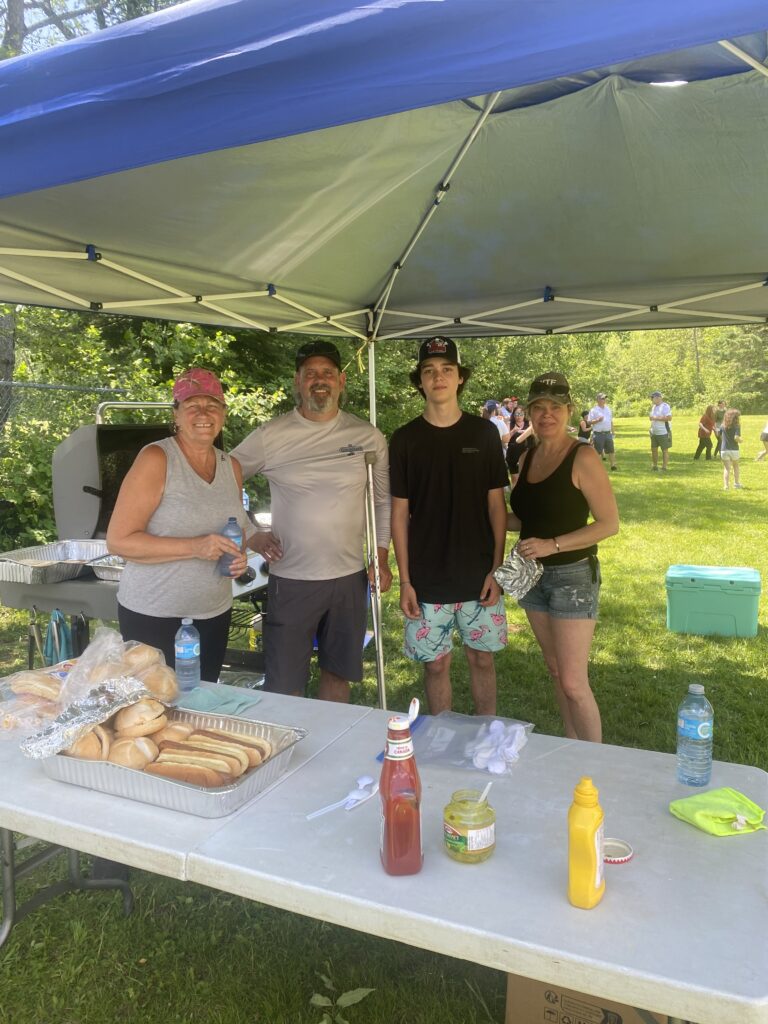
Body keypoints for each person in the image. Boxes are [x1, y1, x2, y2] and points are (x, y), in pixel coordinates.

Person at [231, 340, 392, 702]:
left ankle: (331, 739)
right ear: (298, 381)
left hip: (349, 578)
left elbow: (382, 501)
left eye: (328, 373)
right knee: (285, 684)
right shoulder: (271, 435)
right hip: (292, 579)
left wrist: (380, 555)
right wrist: (251, 533)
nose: (320, 380)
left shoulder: (367, 437)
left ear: (341, 381)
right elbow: (222, 478)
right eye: (311, 374)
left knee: (338, 675)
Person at [389, 337, 508, 716]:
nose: (437, 377)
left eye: (446, 369)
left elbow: (497, 506)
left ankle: (487, 733)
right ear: (420, 381)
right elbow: (399, 514)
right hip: (426, 578)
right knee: (436, 665)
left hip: (479, 574)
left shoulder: (484, 434)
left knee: (482, 659)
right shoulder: (405, 439)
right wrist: (405, 581)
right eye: (429, 371)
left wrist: (497, 569)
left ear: (460, 378)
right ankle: (441, 734)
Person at [107, 368, 250, 682]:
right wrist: (196, 547)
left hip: (213, 612)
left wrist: (239, 555)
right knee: (156, 706)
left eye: (212, 405)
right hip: (154, 614)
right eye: (192, 405)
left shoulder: (231, 466)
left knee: (202, 702)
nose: (203, 414)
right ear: (176, 414)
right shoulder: (157, 458)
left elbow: (236, 527)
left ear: (223, 413)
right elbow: (119, 541)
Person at [508, 372, 619, 742]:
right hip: (531, 576)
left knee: (573, 681)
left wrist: (552, 545)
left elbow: (608, 524)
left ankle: (594, 761)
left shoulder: (582, 456)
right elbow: (526, 519)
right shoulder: (527, 458)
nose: (546, 415)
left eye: (555, 407)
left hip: (572, 576)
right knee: (555, 670)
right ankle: (573, 750)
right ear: (528, 413)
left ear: (569, 411)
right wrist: (481, 515)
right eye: (538, 407)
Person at [505, 405, 535, 486]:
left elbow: (535, 435)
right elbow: (506, 439)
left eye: (521, 414)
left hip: (527, 454)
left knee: (527, 478)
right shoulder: (510, 423)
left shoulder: (529, 423)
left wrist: (526, 432)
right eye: (516, 414)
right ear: (513, 415)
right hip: (513, 454)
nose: (519, 416)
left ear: (524, 414)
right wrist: (513, 431)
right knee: (515, 479)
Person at [587, 393, 617, 471]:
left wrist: (613, 432)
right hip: (598, 434)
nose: (604, 400)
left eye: (605, 398)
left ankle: (613, 466)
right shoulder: (593, 410)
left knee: (611, 450)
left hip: (608, 433)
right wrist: (597, 420)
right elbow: (589, 422)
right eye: (602, 398)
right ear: (598, 400)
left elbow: (610, 421)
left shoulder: (608, 409)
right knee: (598, 452)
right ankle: (598, 468)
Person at [719, 408, 743, 490]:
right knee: (735, 466)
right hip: (734, 449)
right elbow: (736, 437)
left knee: (726, 468)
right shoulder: (737, 426)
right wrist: (740, 440)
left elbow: (719, 435)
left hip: (724, 450)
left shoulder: (722, 425)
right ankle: (736, 484)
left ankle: (726, 486)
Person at [649, 390, 672, 471]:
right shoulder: (654, 407)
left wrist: (655, 418)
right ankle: (654, 466)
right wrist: (651, 429)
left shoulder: (665, 406)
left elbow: (669, 418)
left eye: (652, 398)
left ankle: (664, 467)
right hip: (654, 432)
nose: (651, 399)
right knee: (654, 449)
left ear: (658, 398)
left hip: (663, 432)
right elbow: (652, 419)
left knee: (664, 450)